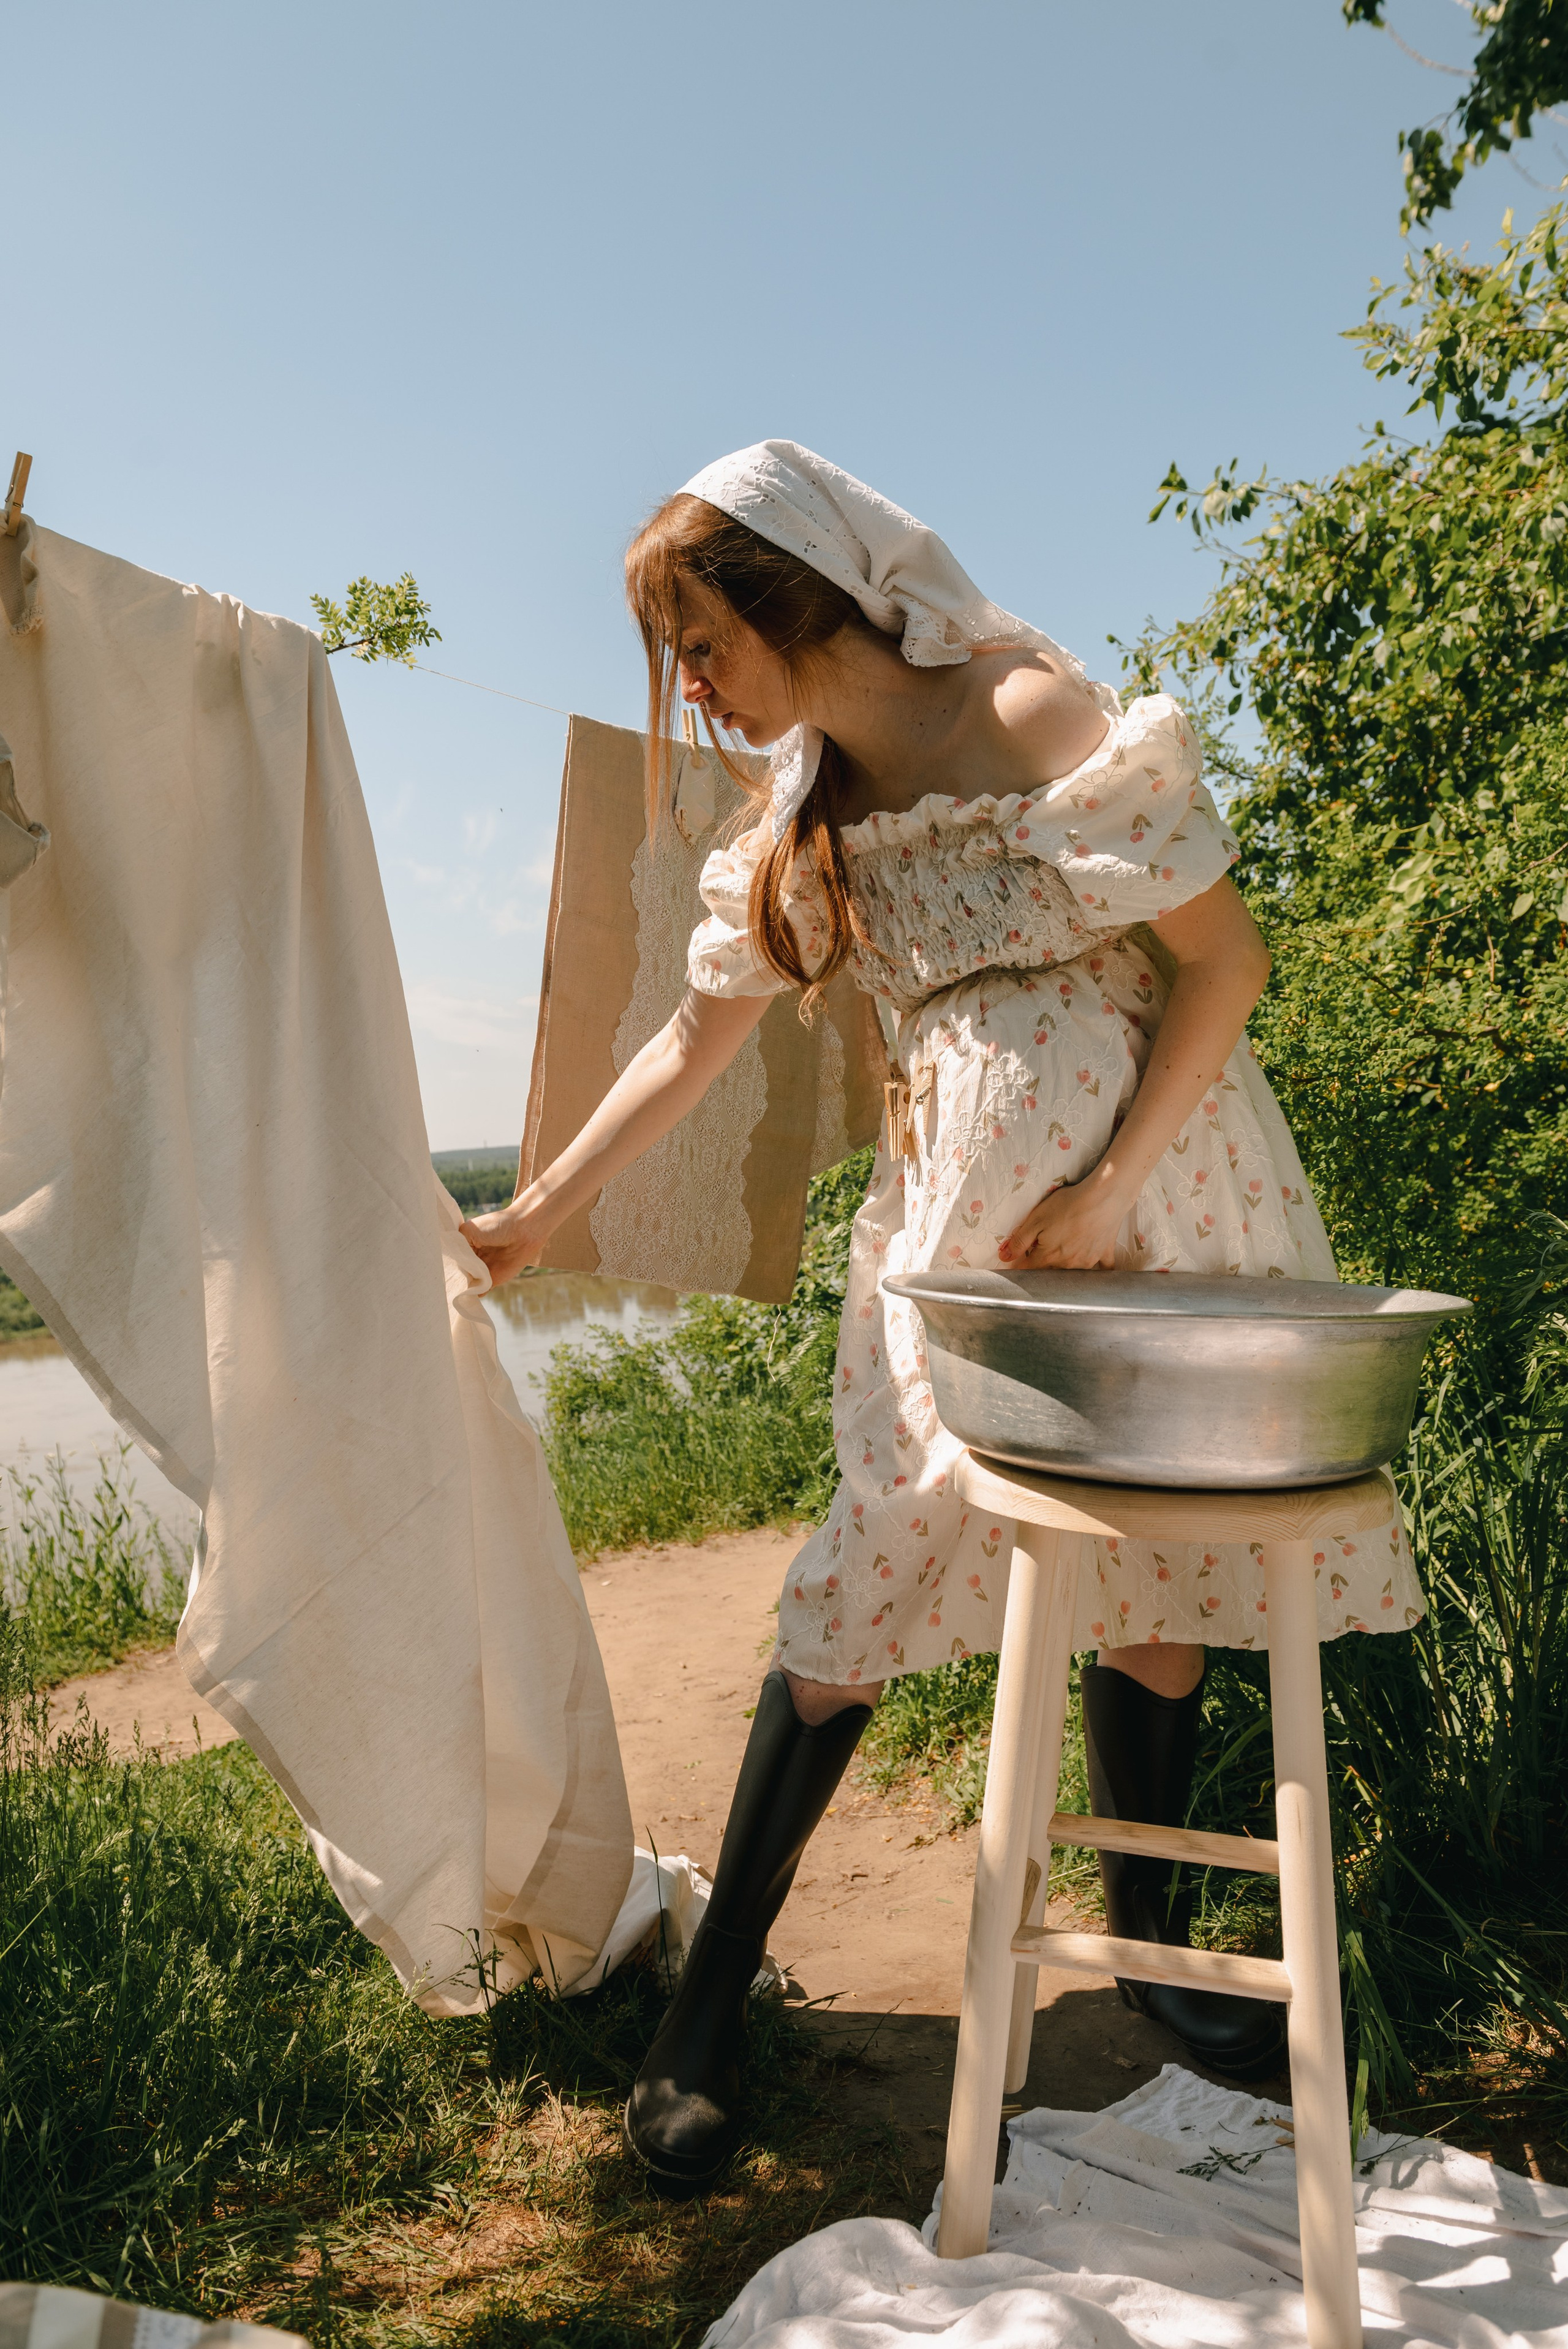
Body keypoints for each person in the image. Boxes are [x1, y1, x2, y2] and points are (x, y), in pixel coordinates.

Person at [462, 442, 1423, 2197]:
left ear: (787, 595)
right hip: (957, 1221)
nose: (690, 686)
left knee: (1153, 1584)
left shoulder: (1033, 711)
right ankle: (707, 2006)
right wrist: (536, 1216)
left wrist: (1119, 1188)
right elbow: (691, 1041)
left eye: (695, 644)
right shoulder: (805, 806)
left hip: (1152, 1189)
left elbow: (1227, 962)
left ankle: (1148, 1937)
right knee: (862, 1571)